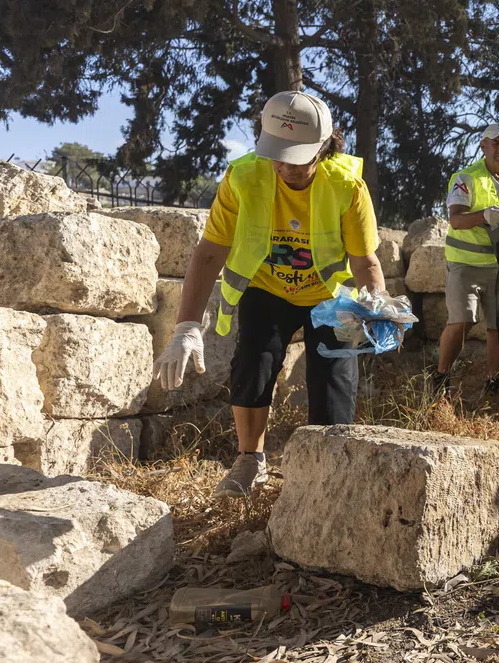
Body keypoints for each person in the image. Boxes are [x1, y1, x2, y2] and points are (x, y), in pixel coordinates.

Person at [152, 91, 384, 498]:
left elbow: (364, 260)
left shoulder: (346, 186)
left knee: (334, 380)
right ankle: (250, 460)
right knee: (253, 362)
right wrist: (186, 326)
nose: (285, 167)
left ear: (324, 148)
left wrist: (376, 306)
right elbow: (209, 253)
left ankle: (325, 474)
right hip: (267, 288)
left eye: (297, 159)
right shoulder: (243, 177)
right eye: (277, 155)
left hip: (329, 295)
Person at [437, 122, 499, 391]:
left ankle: (492, 384)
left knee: (498, 328)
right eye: (496, 143)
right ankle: (441, 378)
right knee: (461, 322)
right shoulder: (465, 177)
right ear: (483, 146)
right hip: (465, 265)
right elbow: (456, 220)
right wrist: (484, 216)